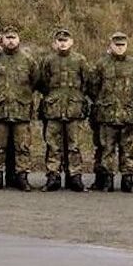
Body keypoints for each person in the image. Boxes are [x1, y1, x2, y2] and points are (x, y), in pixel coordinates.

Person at [0, 25, 38, 190]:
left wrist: (22, 95)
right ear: (2, 40)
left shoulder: (28, 60)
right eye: (8, 38)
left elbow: (35, 81)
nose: (11, 41)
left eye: (13, 37)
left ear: (19, 40)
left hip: (21, 110)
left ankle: (22, 177)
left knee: (22, 147)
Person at [88, 32, 133, 192]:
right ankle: (107, 179)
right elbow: (93, 87)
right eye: (117, 45)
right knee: (106, 149)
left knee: (128, 149)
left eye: (122, 45)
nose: (120, 48)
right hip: (107, 115)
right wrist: (103, 102)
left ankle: (127, 180)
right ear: (111, 45)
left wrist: (130, 103)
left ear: (127, 46)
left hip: (129, 115)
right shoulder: (101, 64)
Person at [36, 28, 90, 191]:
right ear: (55, 43)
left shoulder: (80, 60)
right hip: (53, 110)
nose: (63, 43)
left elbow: (87, 82)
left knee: (74, 145)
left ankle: (75, 177)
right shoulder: (48, 60)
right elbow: (42, 82)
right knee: (53, 145)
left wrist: (78, 98)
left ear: (71, 42)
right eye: (59, 41)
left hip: (74, 110)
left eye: (65, 40)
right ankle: (53, 176)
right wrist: (53, 97)